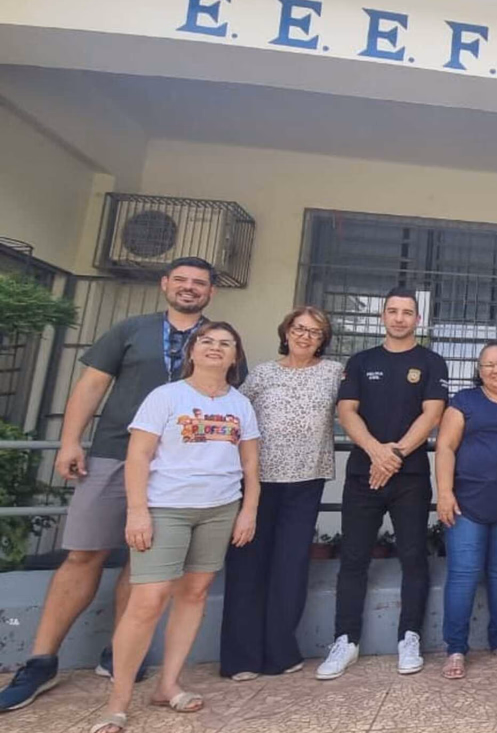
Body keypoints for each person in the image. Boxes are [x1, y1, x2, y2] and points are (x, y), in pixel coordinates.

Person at [0, 257, 227, 713]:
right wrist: (69, 441)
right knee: (84, 553)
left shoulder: (215, 339)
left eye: (198, 283)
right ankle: (41, 662)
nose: (189, 288)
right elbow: (91, 385)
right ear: (165, 284)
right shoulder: (132, 329)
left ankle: (119, 655)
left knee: (142, 563)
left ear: (210, 292)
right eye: (180, 280)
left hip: (177, 469)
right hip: (114, 455)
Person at [88, 322, 260, 733]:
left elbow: (250, 463)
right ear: (192, 351)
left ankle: (168, 683)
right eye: (207, 342)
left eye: (226, 344)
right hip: (166, 507)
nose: (216, 349)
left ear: (235, 357)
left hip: (219, 509)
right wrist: (137, 511)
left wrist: (248, 510)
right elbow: (138, 457)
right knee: (147, 601)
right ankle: (118, 700)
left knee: (195, 594)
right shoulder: (165, 397)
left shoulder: (241, 404)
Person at [316, 287, 449, 679]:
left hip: (409, 477)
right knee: (354, 557)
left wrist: (393, 456)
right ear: (382, 316)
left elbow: (433, 414)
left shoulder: (431, 361)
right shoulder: (360, 361)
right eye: (392, 311)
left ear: (417, 319)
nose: (399, 318)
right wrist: (376, 451)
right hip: (363, 475)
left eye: (407, 312)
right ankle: (345, 640)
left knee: (413, 556)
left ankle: (409, 637)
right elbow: (346, 410)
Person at [220, 307, 344, 680]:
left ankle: (279, 651)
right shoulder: (263, 374)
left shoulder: (334, 373)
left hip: (306, 481)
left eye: (315, 332)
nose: (306, 336)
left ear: (324, 340)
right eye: (299, 329)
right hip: (257, 481)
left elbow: (359, 406)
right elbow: (234, 416)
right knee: (247, 567)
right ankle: (240, 658)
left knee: (290, 567)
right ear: (286, 332)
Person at [435, 341, 497, 680]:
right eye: (488, 364)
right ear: (479, 371)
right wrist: (445, 493)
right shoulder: (464, 401)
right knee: (463, 576)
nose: (496, 369)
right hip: (466, 505)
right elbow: (446, 447)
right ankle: (456, 648)